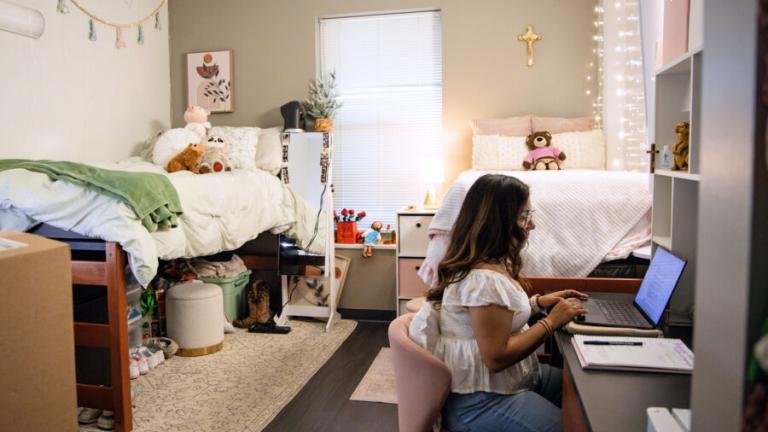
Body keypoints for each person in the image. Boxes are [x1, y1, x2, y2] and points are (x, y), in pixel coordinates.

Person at [409, 174, 588, 432]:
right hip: (481, 400)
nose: (532, 224)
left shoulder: (488, 262)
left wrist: (537, 304)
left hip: (508, 380)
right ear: (498, 223)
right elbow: (495, 357)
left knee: (583, 388)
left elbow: (494, 318)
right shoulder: (484, 279)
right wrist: (551, 322)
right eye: (524, 216)